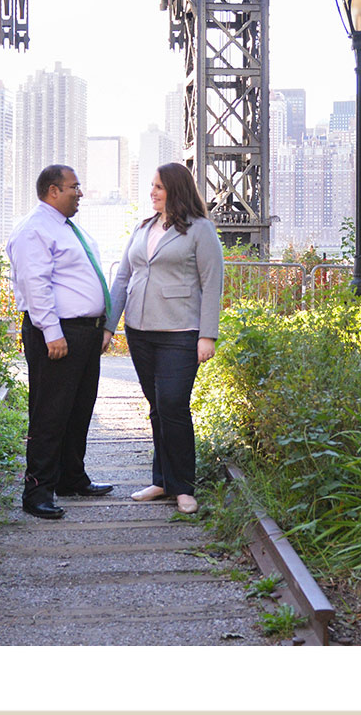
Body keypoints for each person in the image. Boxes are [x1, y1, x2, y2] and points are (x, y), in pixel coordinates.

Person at [104, 162, 223, 515]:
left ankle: (183, 486)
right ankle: (162, 480)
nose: (152, 192)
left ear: (176, 189)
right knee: (158, 407)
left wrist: (208, 336)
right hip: (140, 332)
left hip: (180, 332)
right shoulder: (143, 228)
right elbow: (123, 278)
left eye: (159, 186)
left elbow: (212, 283)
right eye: (152, 186)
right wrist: (110, 327)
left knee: (173, 403)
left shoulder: (200, 230)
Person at [5, 164, 116, 520]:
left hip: (82, 332)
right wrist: (52, 331)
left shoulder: (66, 228)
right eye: (74, 187)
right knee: (49, 414)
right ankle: (37, 491)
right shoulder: (34, 230)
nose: (80, 192)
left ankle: (71, 477)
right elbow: (35, 283)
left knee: (79, 408)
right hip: (57, 334)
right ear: (53, 191)